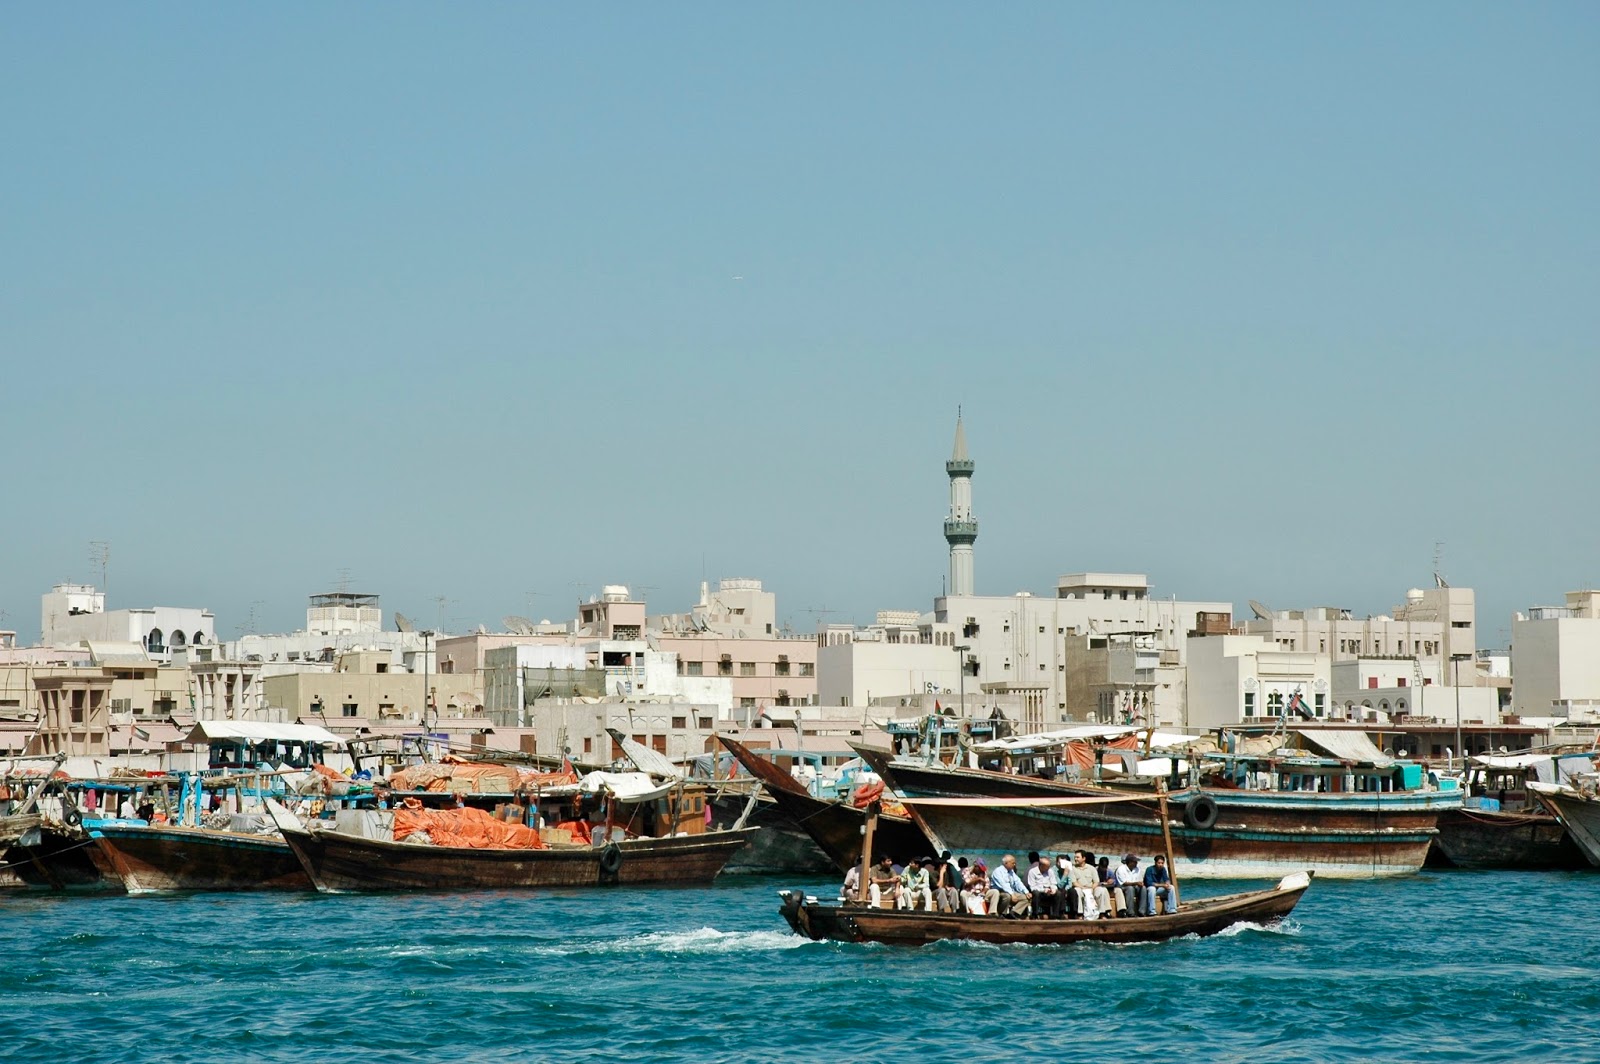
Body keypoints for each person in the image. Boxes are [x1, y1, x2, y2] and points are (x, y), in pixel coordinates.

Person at [1026, 852, 1063, 919]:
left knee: (1058, 893)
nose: (1048, 868)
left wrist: (1053, 889)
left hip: (1049, 891)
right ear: (1041, 866)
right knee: (1036, 893)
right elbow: (1032, 887)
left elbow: (1053, 883)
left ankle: (1056, 915)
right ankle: (1035, 915)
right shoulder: (1032, 872)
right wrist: (1044, 890)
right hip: (1039, 892)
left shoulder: (1050, 871)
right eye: (1047, 866)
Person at [1067, 850, 1100, 919]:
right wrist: (1083, 888)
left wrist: (1092, 889)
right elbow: (1074, 882)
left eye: (1077, 857)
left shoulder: (1091, 868)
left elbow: (1096, 881)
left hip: (1091, 888)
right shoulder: (1072, 869)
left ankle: (1102, 913)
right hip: (1080, 888)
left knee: (1102, 890)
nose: (1075, 859)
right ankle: (1080, 913)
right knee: (1077, 890)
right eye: (1075, 857)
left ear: (1084, 858)